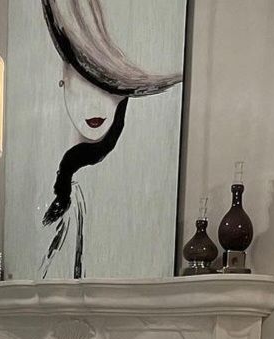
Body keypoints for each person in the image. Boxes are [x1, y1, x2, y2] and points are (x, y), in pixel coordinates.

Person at [39, 0, 182, 279]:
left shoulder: (135, 181)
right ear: (63, 74)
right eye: (86, 74)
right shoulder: (65, 185)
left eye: (109, 84)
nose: (97, 100)